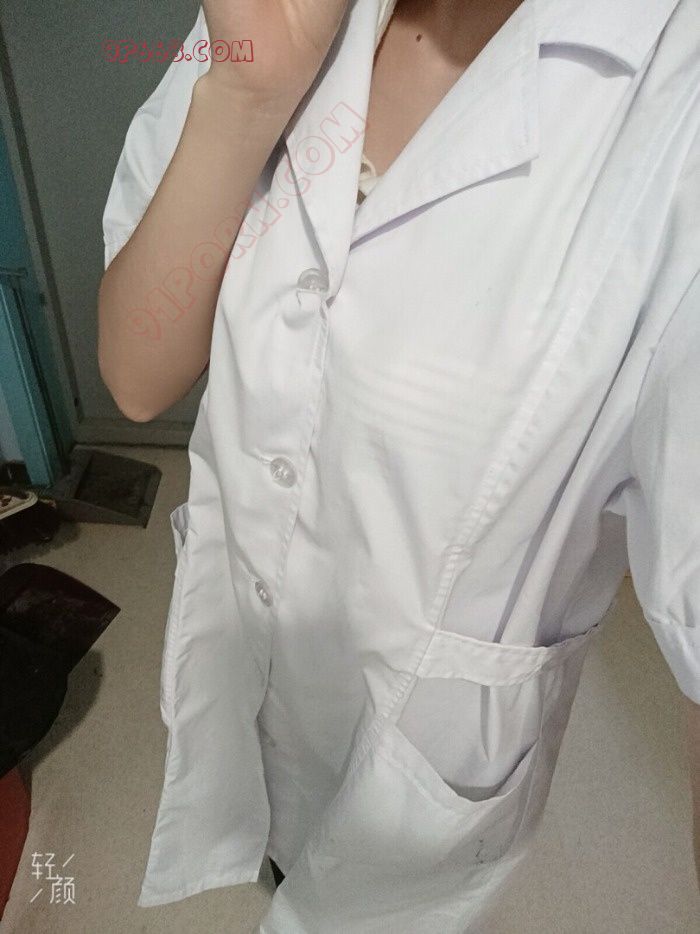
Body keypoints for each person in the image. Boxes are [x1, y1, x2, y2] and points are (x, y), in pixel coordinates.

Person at [97, 0, 700, 929]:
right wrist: (247, 96)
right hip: (246, 686)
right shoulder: (273, 15)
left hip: (413, 799)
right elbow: (136, 375)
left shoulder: (674, 101)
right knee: (274, 856)